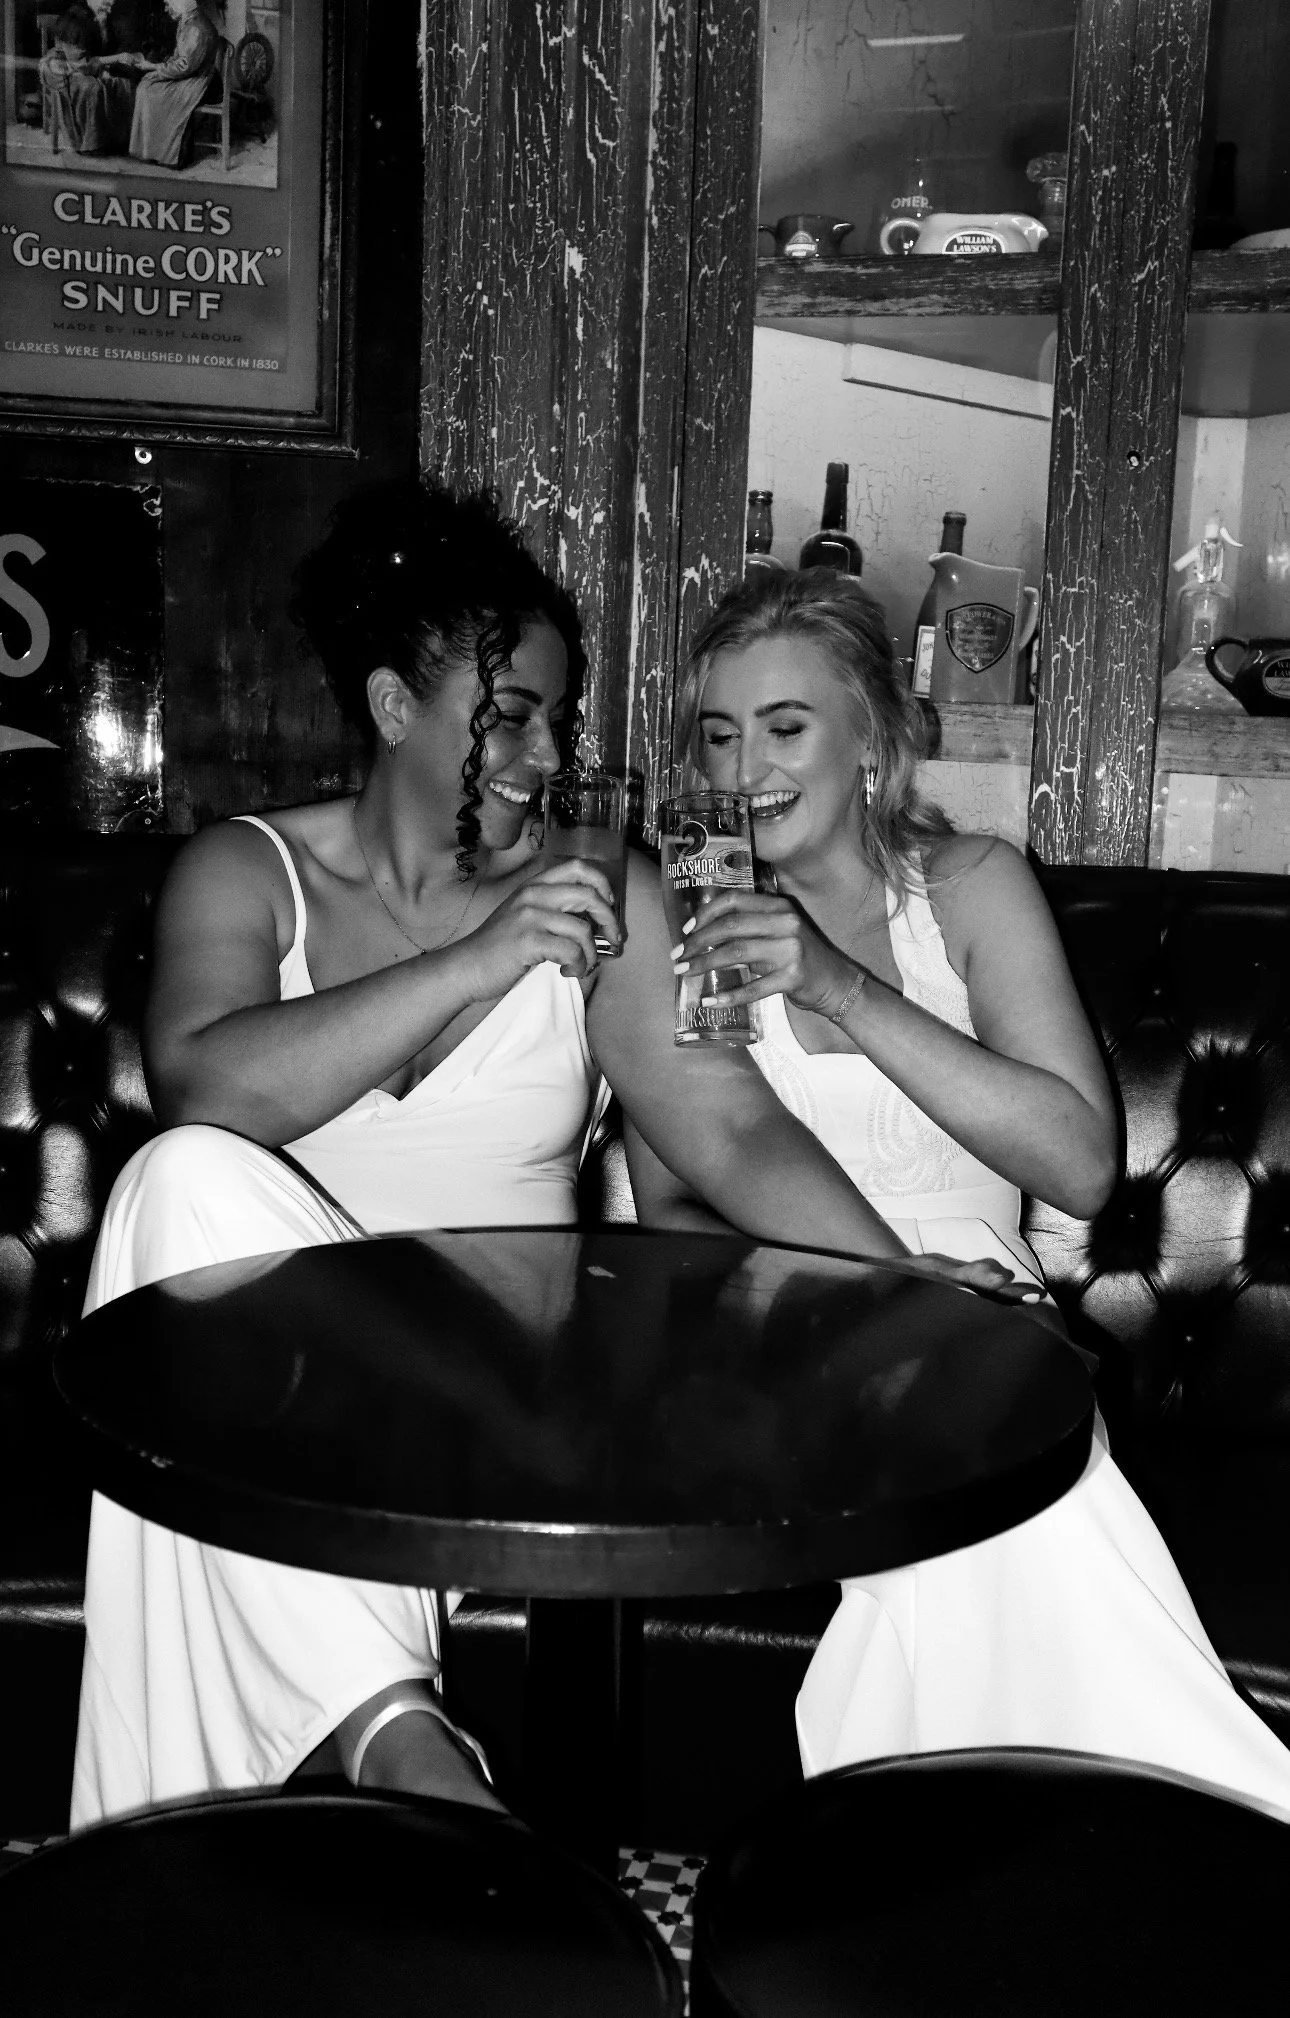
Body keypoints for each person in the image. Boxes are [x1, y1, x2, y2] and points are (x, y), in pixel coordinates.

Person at [72, 483, 1019, 1832]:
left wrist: (905, 1283)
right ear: (397, 708)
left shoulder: (609, 893)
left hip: (492, 1397)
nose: (544, 748)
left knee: (181, 1397)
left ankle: (281, 1814)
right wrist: (480, 954)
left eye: (558, 716)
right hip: (275, 1407)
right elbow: (206, 1086)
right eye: (509, 712)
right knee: (177, 1184)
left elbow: (735, 1129)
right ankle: (394, 1751)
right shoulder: (249, 871)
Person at [631, 563, 1290, 1821]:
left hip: (987, 1316)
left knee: (982, 1494)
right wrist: (856, 1285)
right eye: (718, 733)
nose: (743, 766)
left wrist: (840, 988)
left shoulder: (971, 886)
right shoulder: (686, 917)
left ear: (871, 741)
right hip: (782, 1321)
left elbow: (1081, 1163)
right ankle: (1227, 1823)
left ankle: (896, 1866)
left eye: (785, 727)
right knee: (1001, 1488)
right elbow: (673, 1208)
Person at [127, 0, 218, 168]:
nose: (167, 8)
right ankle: (152, 150)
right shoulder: (189, 21)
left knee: (149, 90)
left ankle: (172, 155)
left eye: (170, 4)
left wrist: (153, 67)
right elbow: (181, 57)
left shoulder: (196, 28)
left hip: (200, 81)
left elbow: (185, 67)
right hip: (191, 74)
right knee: (147, 84)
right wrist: (159, 67)